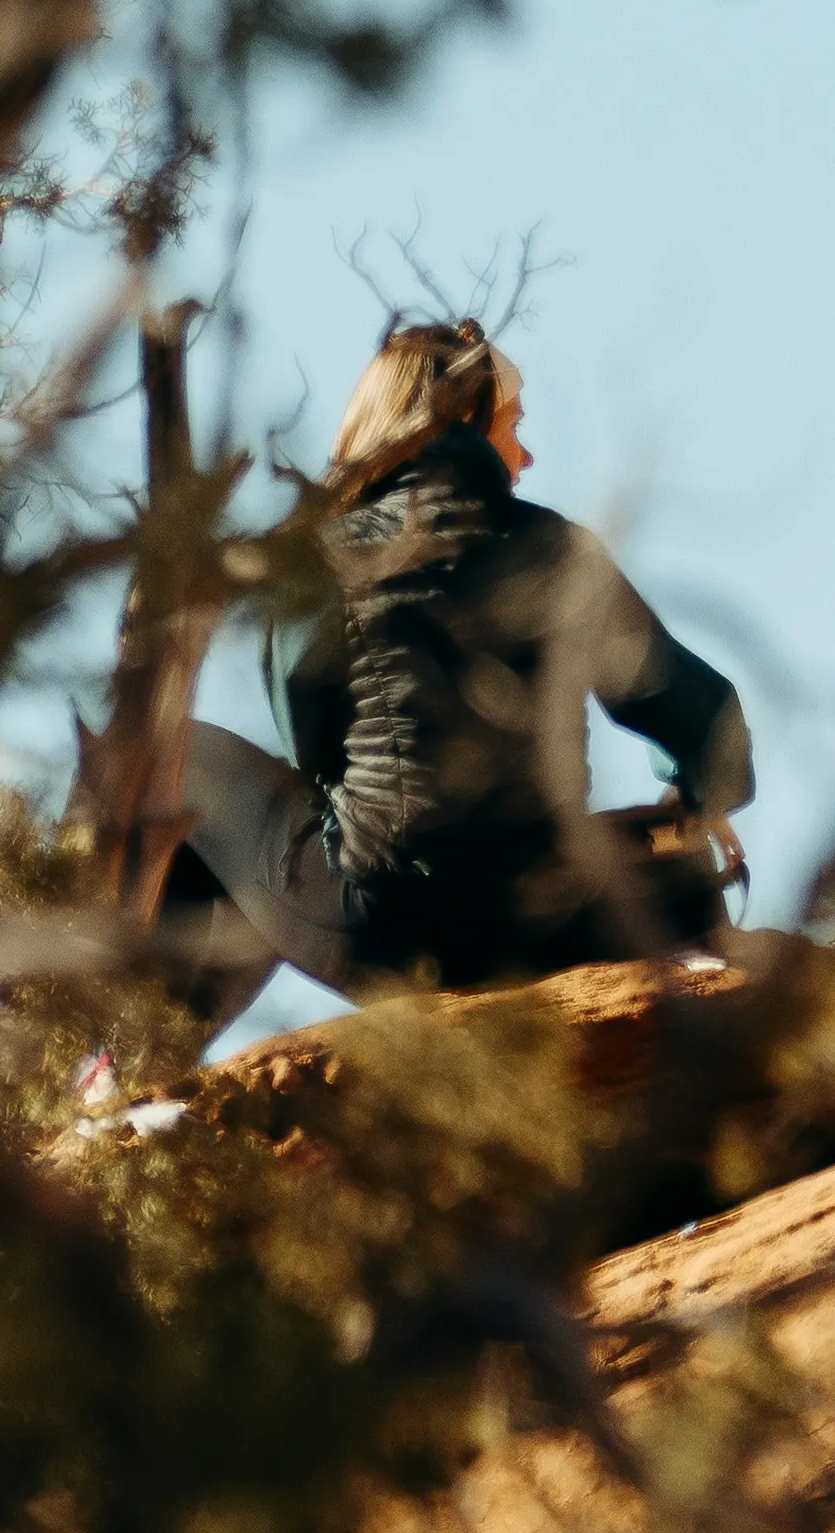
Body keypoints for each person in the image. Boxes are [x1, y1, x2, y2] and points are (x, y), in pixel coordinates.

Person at [154, 318, 763, 1015]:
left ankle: (137, 1062)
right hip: (545, 924)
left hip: (387, 934)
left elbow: (310, 743)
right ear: (470, 423)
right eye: (513, 427)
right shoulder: (558, 547)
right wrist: (694, 797)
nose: (526, 457)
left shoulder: (322, 558)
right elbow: (705, 716)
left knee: (178, 756)